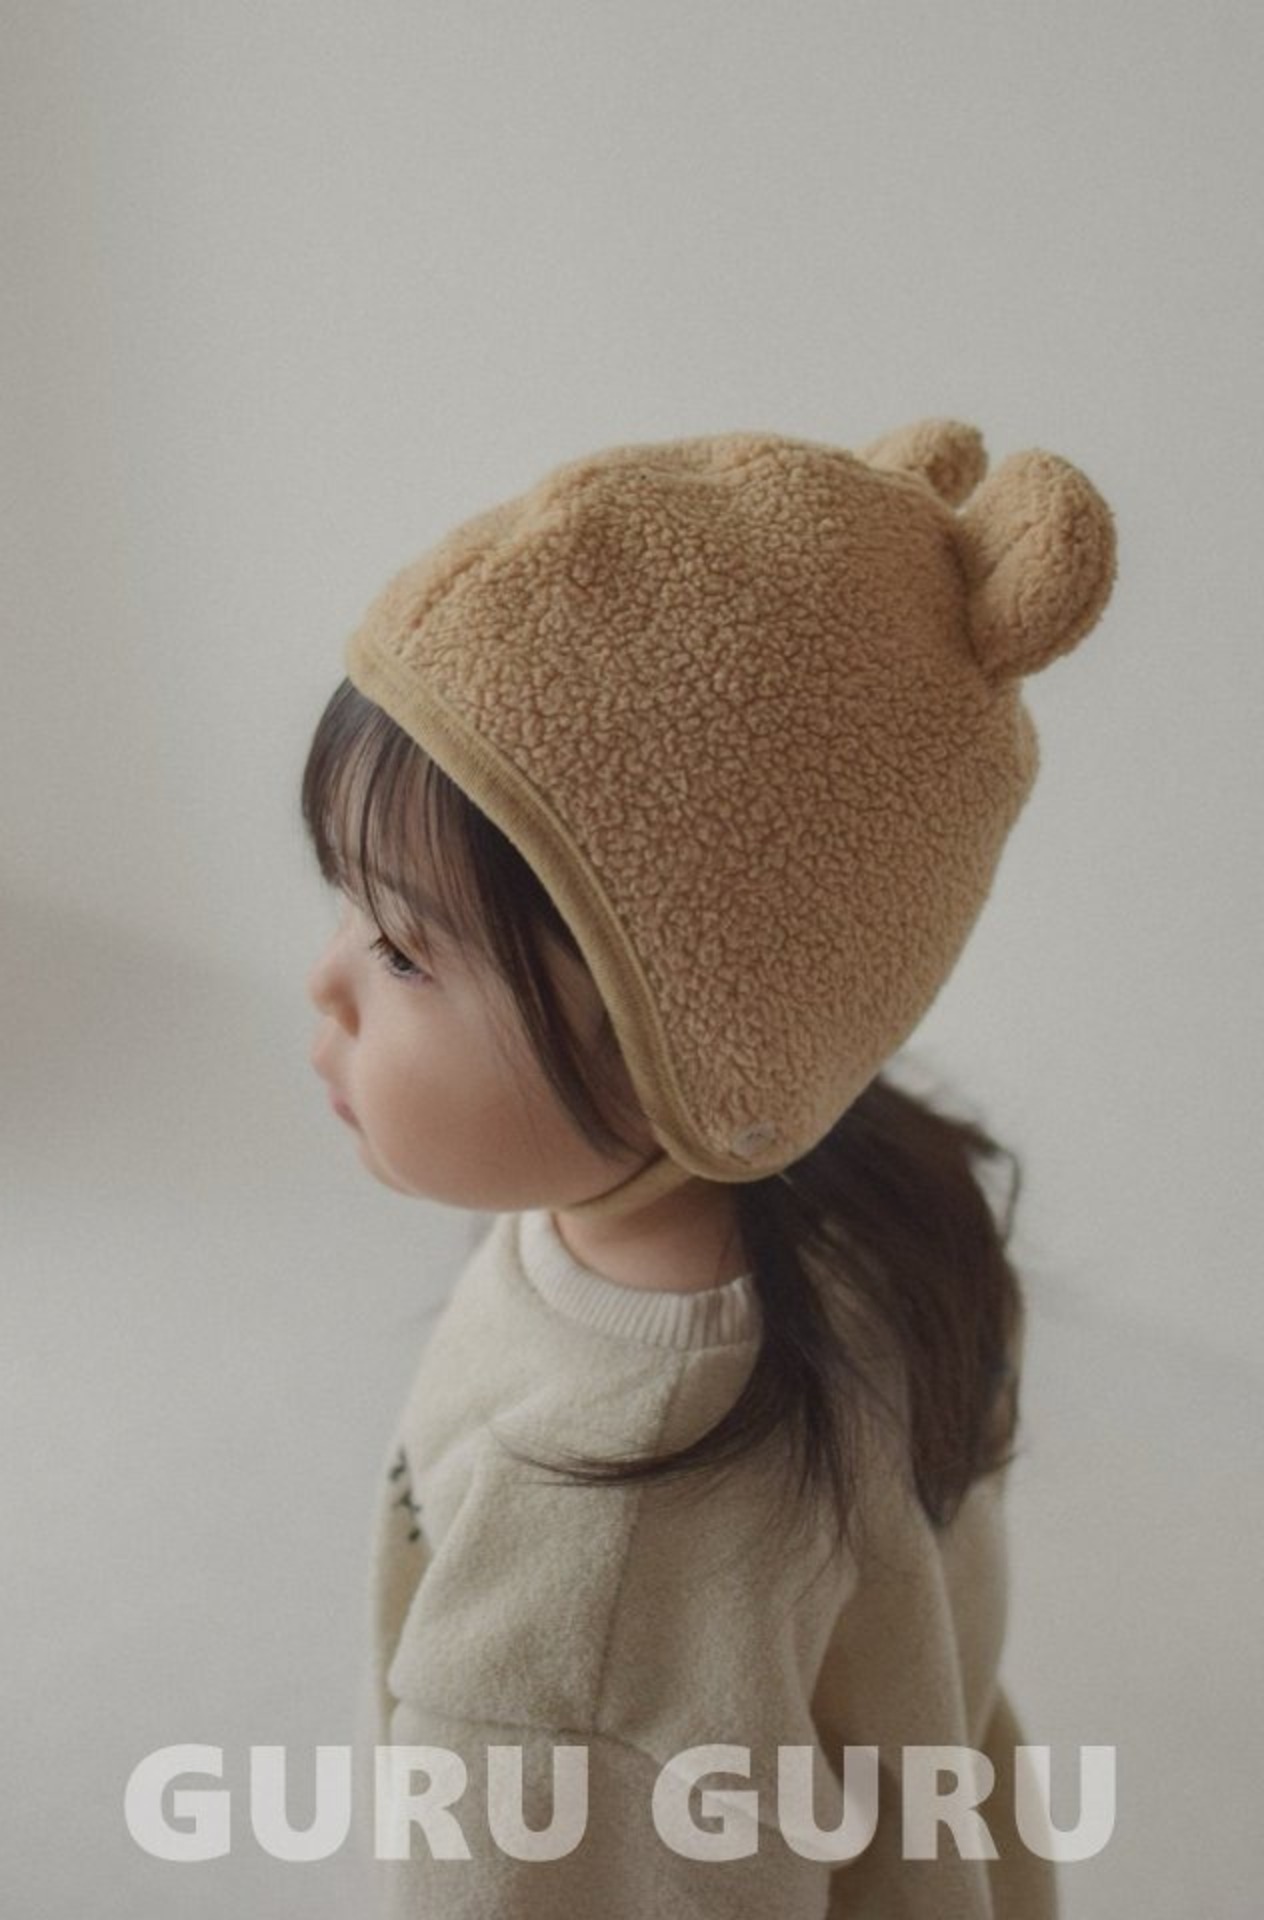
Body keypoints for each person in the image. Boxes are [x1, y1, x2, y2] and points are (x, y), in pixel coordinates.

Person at [302, 417, 1116, 1916]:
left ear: (685, 1037)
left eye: (405, 949)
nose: (326, 983)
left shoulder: (594, 1575)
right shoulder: (868, 1205)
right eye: (345, 903)